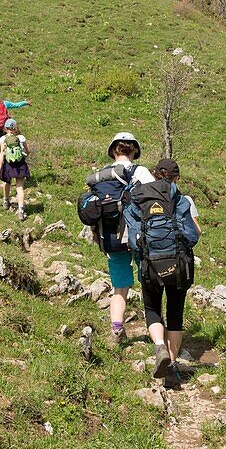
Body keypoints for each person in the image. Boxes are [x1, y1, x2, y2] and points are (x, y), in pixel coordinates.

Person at [126, 157, 200, 387]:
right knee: (175, 313)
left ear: (154, 174)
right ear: (176, 178)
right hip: (178, 265)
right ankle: (173, 364)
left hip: (150, 265)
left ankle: (159, 348)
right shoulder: (182, 199)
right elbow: (193, 235)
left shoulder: (138, 199)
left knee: (152, 308)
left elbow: (132, 238)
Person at [83, 132, 156, 344]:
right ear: (134, 150)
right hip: (140, 236)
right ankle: (156, 330)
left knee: (120, 288)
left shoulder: (101, 176)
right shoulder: (140, 171)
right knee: (149, 283)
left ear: (113, 151)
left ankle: (116, 330)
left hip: (112, 238)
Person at [0, 118, 29, 220]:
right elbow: (27, 151)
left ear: (6, 128)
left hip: (8, 165)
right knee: (20, 187)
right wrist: (24, 155)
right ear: (15, 127)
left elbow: (2, 153)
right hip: (20, 165)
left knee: (7, 182)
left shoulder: (3, 139)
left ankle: (6, 201)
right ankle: (21, 211)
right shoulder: (21, 138)